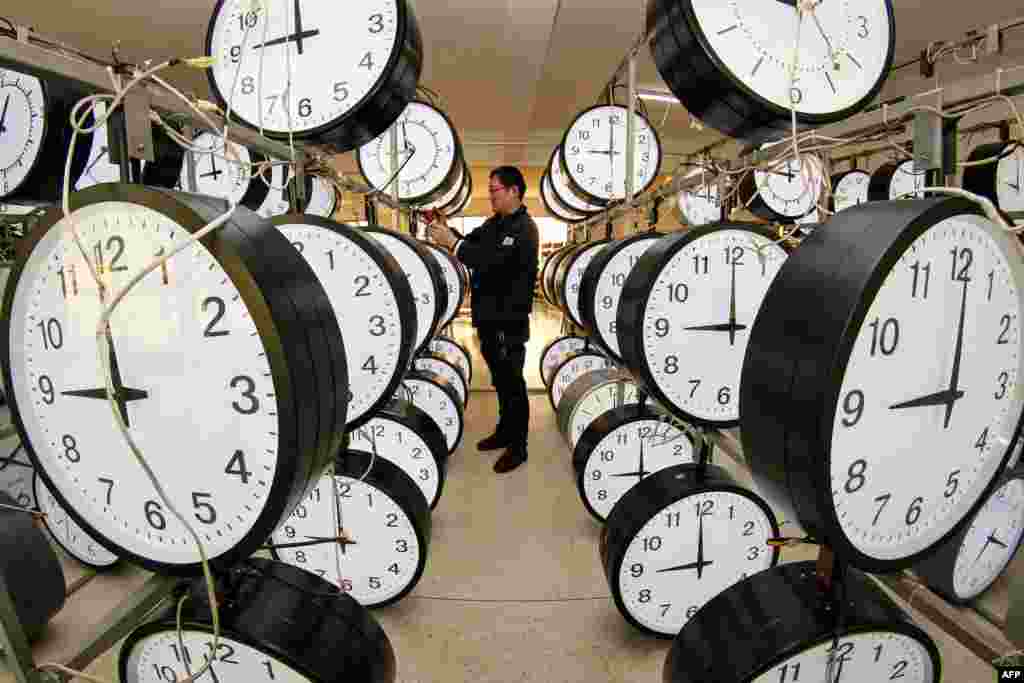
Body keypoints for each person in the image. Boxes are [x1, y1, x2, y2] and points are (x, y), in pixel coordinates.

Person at [428, 166, 539, 473]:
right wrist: (447, 229)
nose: (490, 196)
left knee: (513, 384)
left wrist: (452, 242)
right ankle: (505, 432)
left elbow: (491, 262)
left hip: (509, 321)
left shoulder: (524, 228)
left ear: (514, 191)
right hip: (490, 320)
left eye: (494, 190)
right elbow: (470, 242)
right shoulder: (495, 224)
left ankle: (519, 447)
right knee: (501, 381)